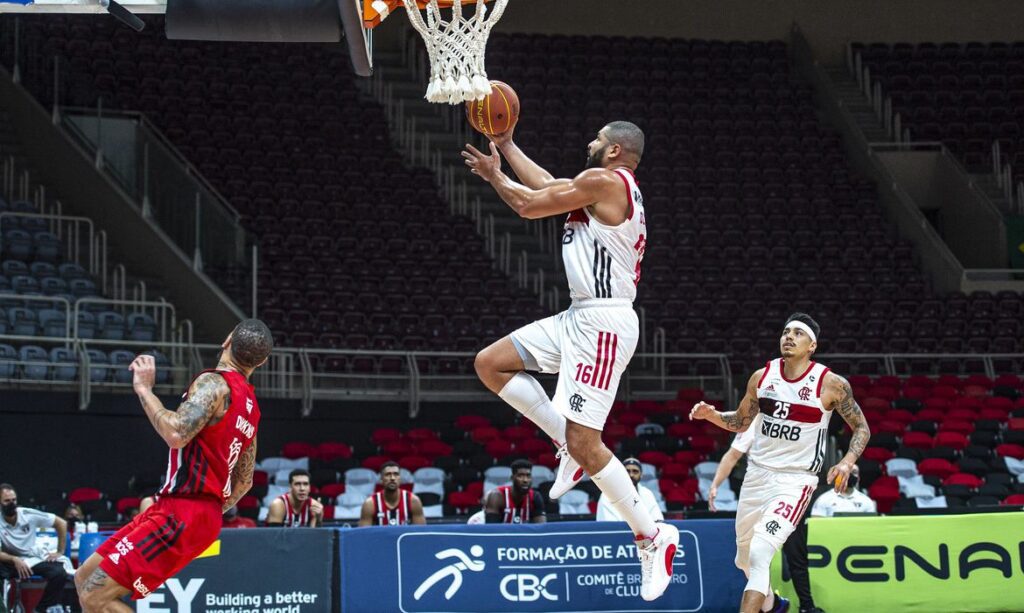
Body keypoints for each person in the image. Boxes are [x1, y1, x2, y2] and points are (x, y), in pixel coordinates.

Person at [465, 121, 679, 601]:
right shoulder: (598, 186)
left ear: (614, 149)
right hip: (578, 314)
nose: (589, 142)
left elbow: (527, 203)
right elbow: (546, 184)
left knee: (588, 442)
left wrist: (494, 176)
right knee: (490, 363)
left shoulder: (607, 182)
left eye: (597, 138)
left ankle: (652, 535)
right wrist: (507, 145)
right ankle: (566, 444)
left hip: (603, 322)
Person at [74, 319, 272, 612]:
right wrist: (206, 511)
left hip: (183, 511)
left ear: (227, 339)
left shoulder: (216, 382)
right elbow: (244, 481)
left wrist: (144, 389)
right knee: (85, 577)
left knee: (93, 595)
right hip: (194, 511)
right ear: (263, 361)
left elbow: (177, 433)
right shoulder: (251, 408)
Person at [690, 313, 871, 613]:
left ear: (812, 345)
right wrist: (710, 415)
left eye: (798, 333)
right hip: (757, 475)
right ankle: (774, 605)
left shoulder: (830, 384)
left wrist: (848, 461)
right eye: (786, 331)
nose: (788, 336)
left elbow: (862, 427)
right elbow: (740, 421)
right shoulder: (762, 377)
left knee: (761, 553)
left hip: (795, 481)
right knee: (745, 559)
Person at [709, 416, 825, 613]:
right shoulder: (755, 421)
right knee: (746, 561)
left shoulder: (800, 419)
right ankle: (772, 604)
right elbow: (732, 455)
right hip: (759, 495)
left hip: (790, 492)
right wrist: (715, 484)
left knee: (793, 556)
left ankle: (806, 606)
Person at [0, 484, 71, 613]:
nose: (11, 504)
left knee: (59, 573)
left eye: (13, 500)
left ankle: (40, 609)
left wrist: (60, 551)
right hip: (9, 561)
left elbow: (61, 523)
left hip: (31, 559)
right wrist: (14, 559)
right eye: (6, 501)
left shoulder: (28, 514)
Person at [358, 462, 426, 527]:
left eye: (396, 474)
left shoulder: (413, 501)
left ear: (400, 479)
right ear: (381, 479)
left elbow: (420, 534)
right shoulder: (370, 504)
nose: (392, 478)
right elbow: (363, 535)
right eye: (388, 474)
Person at [596, 458, 663, 522]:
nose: (631, 475)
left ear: (641, 475)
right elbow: (610, 525)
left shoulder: (647, 494)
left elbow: (658, 520)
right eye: (627, 471)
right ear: (621, 473)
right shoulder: (608, 494)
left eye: (635, 471)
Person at [484, 460, 546, 524]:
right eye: (520, 476)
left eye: (528, 476)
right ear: (512, 478)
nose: (525, 480)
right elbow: (491, 529)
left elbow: (541, 528)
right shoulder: (497, 496)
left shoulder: (535, 497)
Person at [810, 464, 875, 518]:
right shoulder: (824, 499)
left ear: (858, 478)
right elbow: (816, 524)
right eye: (846, 472)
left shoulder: (866, 501)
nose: (849, 475)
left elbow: (872, 525)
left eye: (854, 472)